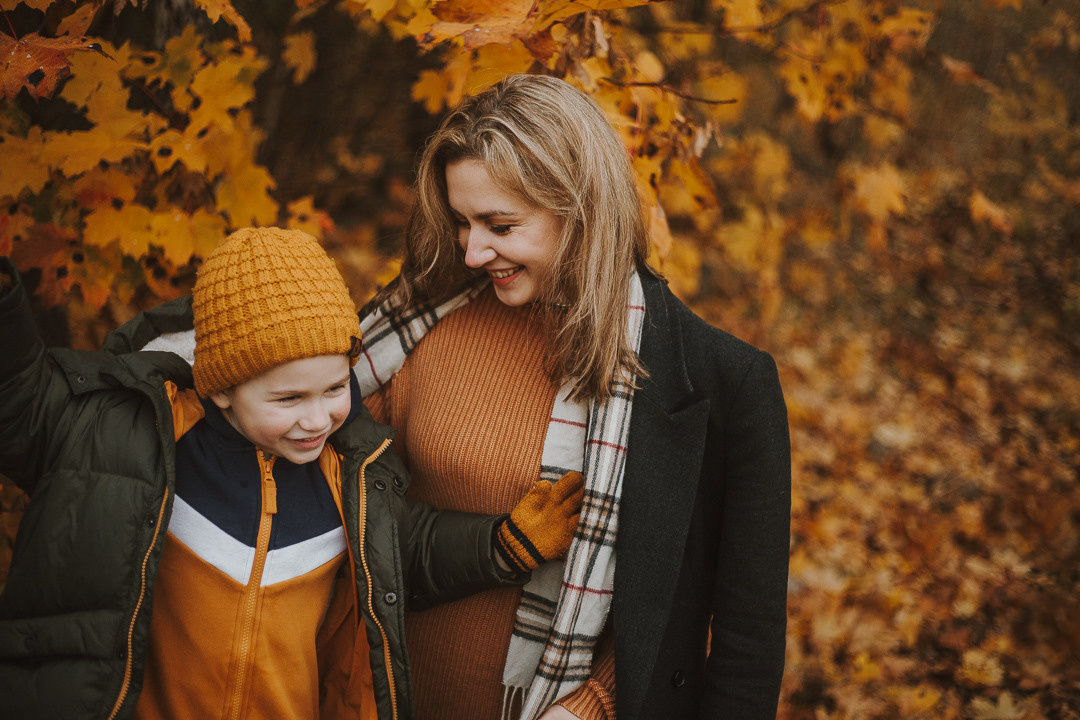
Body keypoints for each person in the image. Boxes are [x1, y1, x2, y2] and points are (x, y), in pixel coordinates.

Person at [0, 226, 585, 720]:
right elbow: (18, 399)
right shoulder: (127, 439)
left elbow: (407, 547)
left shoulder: (348, 472)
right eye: (287, 399)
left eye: (335, 388)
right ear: (223, 388)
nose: (317, 418)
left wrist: (503, 544)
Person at [356, 74, 791, 720]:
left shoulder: (720, 382)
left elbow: (739, 639)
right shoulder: (410, 331)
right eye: (460, 223)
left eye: (500, 225)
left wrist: (594, 703)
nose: (473, 251)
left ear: (580, 206)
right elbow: (339, 514)